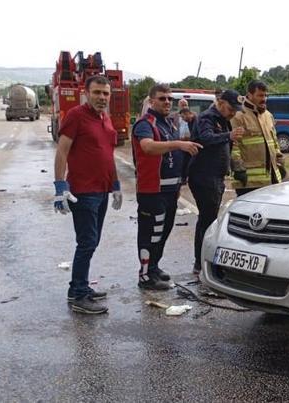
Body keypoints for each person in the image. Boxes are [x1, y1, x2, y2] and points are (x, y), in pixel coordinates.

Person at [53, 75, 121, 314]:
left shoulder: (106, 118)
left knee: (92, 242)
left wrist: (116, 185)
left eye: (106, 93)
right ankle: (78, 294)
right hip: (83, 191)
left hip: (102, 190)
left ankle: (80, 287)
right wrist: (60, 186)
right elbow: (62, 151)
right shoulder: (76, 116)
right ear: (86, 93)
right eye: (97, 93)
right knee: (87, 242)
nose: (102, 97)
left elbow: (108, 154)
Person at [132, 84, 202, 289]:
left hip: (171, 190)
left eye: (169, 99)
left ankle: (154, 266)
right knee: (150, 232)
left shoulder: (169, 124)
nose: (166, 102)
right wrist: (179, 144)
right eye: (162, 98)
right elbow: (148, 146)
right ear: (151, 101)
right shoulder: (146, 124)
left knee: (164, 231)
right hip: (152, 190)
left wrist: (181, 180)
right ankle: (145, 275)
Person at [189, 90, 243, 277]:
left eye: (235, 110)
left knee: (210, 220)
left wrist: (235, 167)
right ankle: (200, 263)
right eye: (230, 108)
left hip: (216, 176)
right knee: (207, 221)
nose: (233, 113)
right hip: (204, 176)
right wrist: (228, 135)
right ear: (220, 102)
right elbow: (206, 138)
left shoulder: (223, 119)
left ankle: (205, 261)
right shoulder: (207, 118)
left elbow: (226, 147)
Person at [230, 80, 285, 196]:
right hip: (248, 182)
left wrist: (280, 162)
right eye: (260, 95)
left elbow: (274, 142)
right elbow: (234, 145)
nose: (264, 98)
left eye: (266, 95)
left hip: (272, 178)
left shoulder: (268, 115)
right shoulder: (238, 116)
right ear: (249, 95)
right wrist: (238, 169)